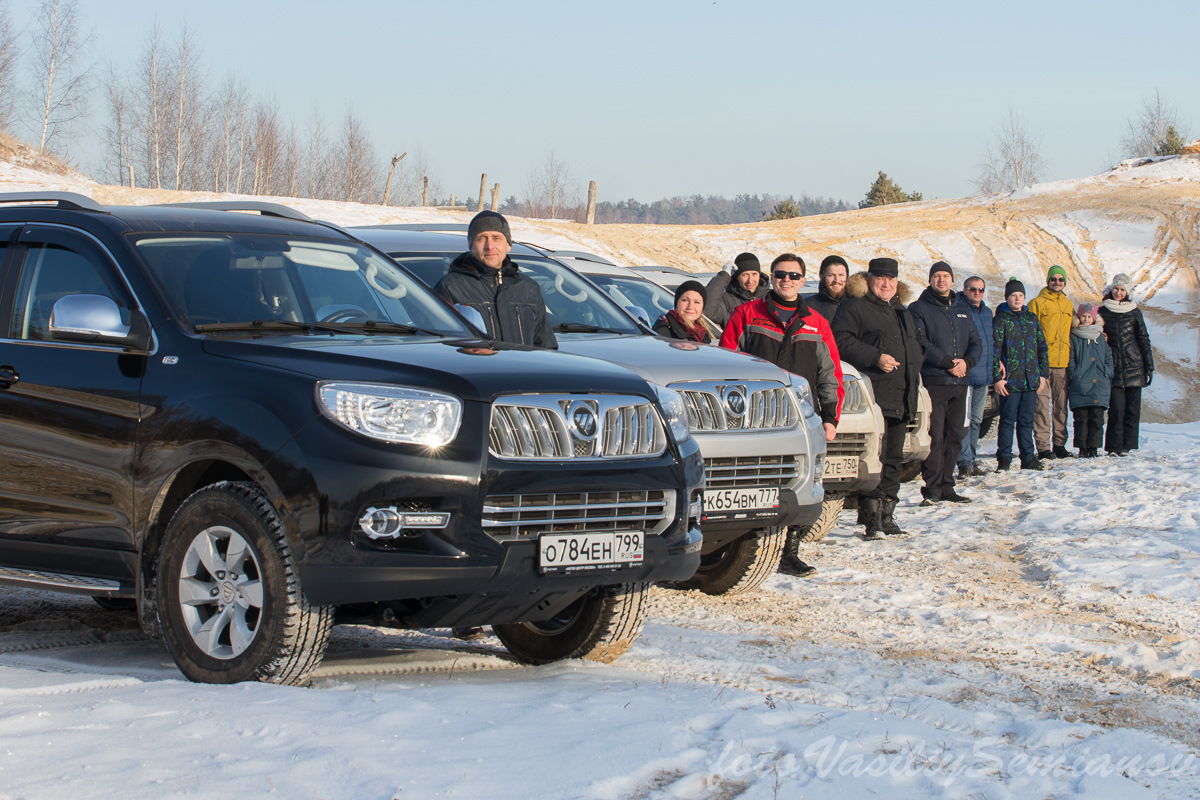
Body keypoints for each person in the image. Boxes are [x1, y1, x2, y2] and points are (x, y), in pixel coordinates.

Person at [720, 254, 843, 576]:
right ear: (770, 278)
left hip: (800, 417)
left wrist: (830, 417)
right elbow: (725, 362)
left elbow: (830, 374)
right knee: (751, 482)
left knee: (800, 483)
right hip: (753, 419)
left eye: (793, 275)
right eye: (780, 274)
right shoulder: (747, 313)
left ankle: (790, 551)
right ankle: (742, 549)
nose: (786, 280)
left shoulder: (817, 322)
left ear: (803, 281)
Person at [832, 258, 924, 540]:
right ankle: (872, 519)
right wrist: (874, 357)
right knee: (875, 458)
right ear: (869, 279)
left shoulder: (901, 310)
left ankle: (888, 514)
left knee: (894, 458)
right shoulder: (855, 306)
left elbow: (914, 346)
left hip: (901, 393)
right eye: (881, 278)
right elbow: (840, 341)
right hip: (873, 395)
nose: (886, 284)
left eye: (891, 279)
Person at [908, 261, 981, 506]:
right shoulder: (918, 308)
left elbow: (976, 342)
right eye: (937, 276)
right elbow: (921, 342)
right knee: (935, 436)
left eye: (945, 276)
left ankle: (947, 486)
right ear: (930, 280)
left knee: (955, 436)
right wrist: (948, 362)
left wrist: (967, 363)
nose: (941, 280)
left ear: (952, 280)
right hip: (935, 380)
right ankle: (932, 488)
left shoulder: (962, 308)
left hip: (960, 382)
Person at [435, 210, 557, 349]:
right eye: (481, 238)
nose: (489, 246)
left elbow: (546, 347)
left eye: (496, 238)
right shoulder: (451, 287)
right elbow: (441, 347)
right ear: (471, 245)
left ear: (508, 245)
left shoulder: (528, 288)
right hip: (480, 369)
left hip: (523, 369)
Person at [992, 278, 1049, 471]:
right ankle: (1004, 459)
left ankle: (1028, 457)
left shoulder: (1031, 318)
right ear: (1007, 297)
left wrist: (1042, 375)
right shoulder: (1000, 319)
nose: (1017, 299)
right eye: (1013, 296)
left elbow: (1042, 347)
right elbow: (994, 350)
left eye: (1020, 296)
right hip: (1010, 382)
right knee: (1007, 421)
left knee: (1026, 421)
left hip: (1030, 380)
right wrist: (997, 379)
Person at [1097, 273, 1153, 456]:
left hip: (1135, 366)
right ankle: (1113, 447)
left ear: (1127, 292)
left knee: (1132, 409)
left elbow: (1143, 339)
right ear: (1111, 289)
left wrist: (1149, 366)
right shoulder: (1102, 311)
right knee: (1116, 409)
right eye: (1116, 289)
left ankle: (1126, 447)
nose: (1118, 292)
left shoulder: (1135, 311)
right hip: (1113, 367)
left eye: (1122, 290)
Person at [1027, 265, 1074, 459]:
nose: (1057, 282)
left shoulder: (1068, 305)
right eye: (1053, 279)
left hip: (1062, 363)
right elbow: (1029, 333)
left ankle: (1060, 444)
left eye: (1060, 279)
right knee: (1041, 406)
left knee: (1061, 406)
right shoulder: (1037, 303)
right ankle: (1044, 447)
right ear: (1048, 281)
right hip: (1042, 364)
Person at [956, 275, 994, 478]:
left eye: (981, 290)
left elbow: (990, 343)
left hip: (983, 375)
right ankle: (963, 462)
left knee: (977, 420)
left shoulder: (987, 312)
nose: (977, 293)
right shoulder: (959, 310)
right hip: (967, 374)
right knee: (965, 420)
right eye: (973, 289)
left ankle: (971, 457)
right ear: (964, 289)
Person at [1067, 303, 1113, 458]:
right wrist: (1074, 375)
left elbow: (1108, 356)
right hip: (1080, 384)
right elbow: (1071, 358)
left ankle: (1093, 447)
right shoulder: (1074, 336)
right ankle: (1082, 448)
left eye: (1089, 317)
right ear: (1079, 318)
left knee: (1097, 418)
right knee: (1081, 418)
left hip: (1099, 383)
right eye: (1083, 316)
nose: (1086, 319)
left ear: (1094, 319)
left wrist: (1108, 372)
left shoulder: (1100, 337)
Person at [704, 252, 769, 327]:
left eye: (754, 274)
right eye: (745, 275)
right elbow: (707, 312)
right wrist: (724, 276)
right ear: (737, 277)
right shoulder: (726, 301)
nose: (750, 280)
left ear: (759, 275)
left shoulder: (770, 297)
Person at [806, 255, 849, 321]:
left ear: (847, 277)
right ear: (822, 277)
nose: (836, 280)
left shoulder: (856, 304)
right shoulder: (808, 306)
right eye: (831, 275)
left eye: (841, 275)